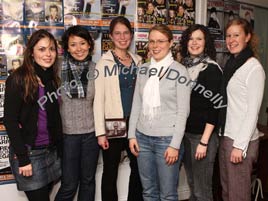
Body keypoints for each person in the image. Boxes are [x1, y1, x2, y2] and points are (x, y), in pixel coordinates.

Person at [128, 24, 191, 201]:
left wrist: (175, 145)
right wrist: (132, 135)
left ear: (170, 43)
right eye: (152, 41)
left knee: (168, 194)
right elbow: (136, 105)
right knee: (148, 191)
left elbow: (183, 112)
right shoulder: (143, 69)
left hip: (167, 141)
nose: (155, 46)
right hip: (142, 139)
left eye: (161, 41)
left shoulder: (180, 71)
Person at [3, 29, 62, 201]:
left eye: (51, 49)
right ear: (31, 53)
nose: (48, 54)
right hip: (30, 154)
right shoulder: (18, 79)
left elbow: (54, 118)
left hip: (51, 152)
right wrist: (23, 158)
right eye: (42, 49)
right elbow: (10, 121)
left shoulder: (52, 78)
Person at [94, 16, 144, 201]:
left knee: (138, 169)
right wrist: (101, 132)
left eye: (126, 33)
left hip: (136, 123)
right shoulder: (104, 63)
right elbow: (98, 100)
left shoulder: (139, 61)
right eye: (117, 33)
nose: (122, 37)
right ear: (111, 36)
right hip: (114, 124)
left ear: (131, 35)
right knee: (110, 171)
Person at [218, 18, 265, 201]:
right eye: (228, 36)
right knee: (227, 192)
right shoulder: (232, 64)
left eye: (236, 35)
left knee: (238, 195)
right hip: (227, 135)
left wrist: (240, 146)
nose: (231, 40)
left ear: (247, 37)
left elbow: (253, 112)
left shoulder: (253, 68)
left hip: (240, 141)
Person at [55, 26, 99, 201]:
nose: (79, 48)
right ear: (66, 47)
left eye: (82, 43)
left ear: (89, 45)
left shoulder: (96, 68)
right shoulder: (56, 68)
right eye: (73, 44)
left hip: (91, 134)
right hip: (67, 136)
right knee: (69, 184)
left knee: (88, 181)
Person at [180, 24, 222, 201]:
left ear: (206, 43)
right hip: (186, 135)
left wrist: (204, 142)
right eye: (191, 38)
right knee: (192, 184)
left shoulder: (211, 69)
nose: (194, 42)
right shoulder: (182, 67)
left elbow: (215, 108)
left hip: (202, 138)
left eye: (199, 38)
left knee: (202, 191)